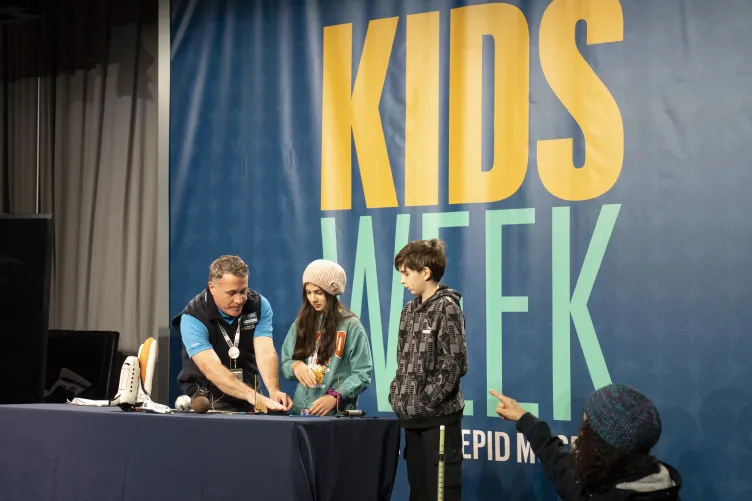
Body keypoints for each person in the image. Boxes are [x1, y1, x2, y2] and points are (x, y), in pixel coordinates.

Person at [490, 384, 683, 500]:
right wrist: (526, 420)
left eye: (586, 427)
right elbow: (566, 475)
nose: (580, 434)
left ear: (601, 447)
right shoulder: (636, 480)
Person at [389, 239, 469, 501]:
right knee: (419, 493)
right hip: (411, 421)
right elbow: (403, 361)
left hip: (440, 421)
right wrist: (398, 395)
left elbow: (454, 364)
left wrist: (423, 403)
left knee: (440, 495)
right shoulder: (408, 311)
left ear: (426, 272)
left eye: (406, 273)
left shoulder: (447, 307)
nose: (402, 280)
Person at [172, 255, 293, 412]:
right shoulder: (193, 317)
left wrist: (273, 390)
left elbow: (266, 353)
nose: (239, 300)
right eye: (231, 293)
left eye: (243, 291)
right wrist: (251, 395)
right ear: (212, 288)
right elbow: (211, 368)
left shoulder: (259, 305)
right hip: (208, 401)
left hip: (252, 397)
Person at [281, 259, 373, 416]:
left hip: (336, 414)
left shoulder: (351, 326)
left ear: (331, 293)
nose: (313, 299)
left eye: (318, 292)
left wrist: (335, 396)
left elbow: (362, 374)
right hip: (301, 411)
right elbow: (285, 363)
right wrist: (296, 366)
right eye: (308, 292)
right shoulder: (301, 322)